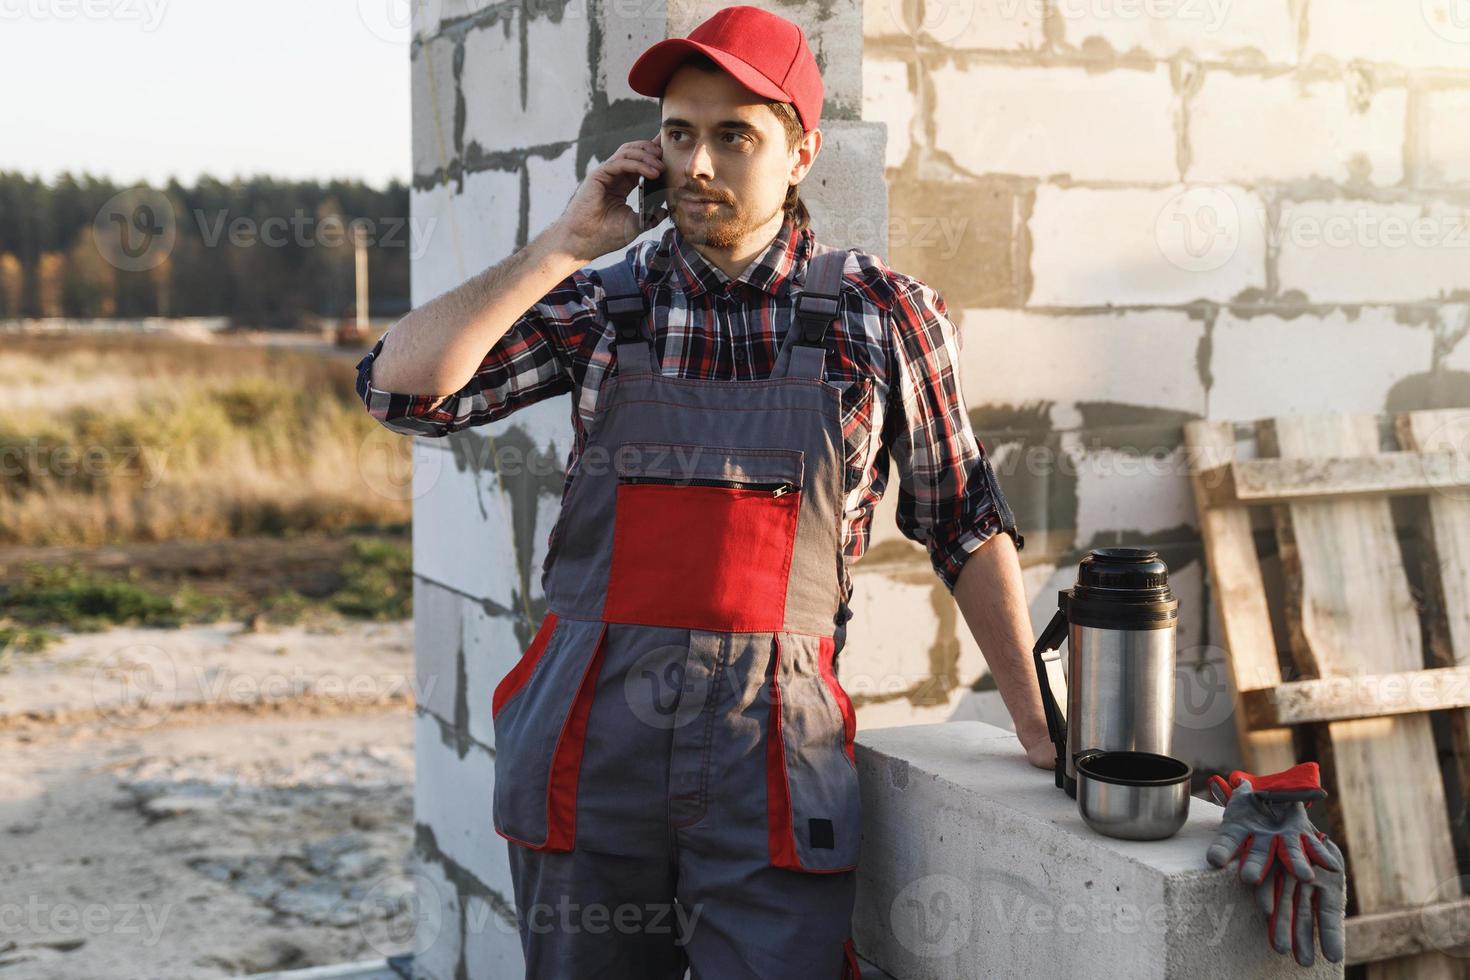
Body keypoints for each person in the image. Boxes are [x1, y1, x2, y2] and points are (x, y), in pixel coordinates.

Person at [357, 6, 1052, 977]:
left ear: (802, 150)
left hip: (772, 766)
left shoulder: (882, 314)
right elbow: (401, 387)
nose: (699, 163)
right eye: (679, 133)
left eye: (735, 135)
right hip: (588, 750)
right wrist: (562, 244)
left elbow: (963, 520)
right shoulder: (603, 303)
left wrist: (1033, 719)